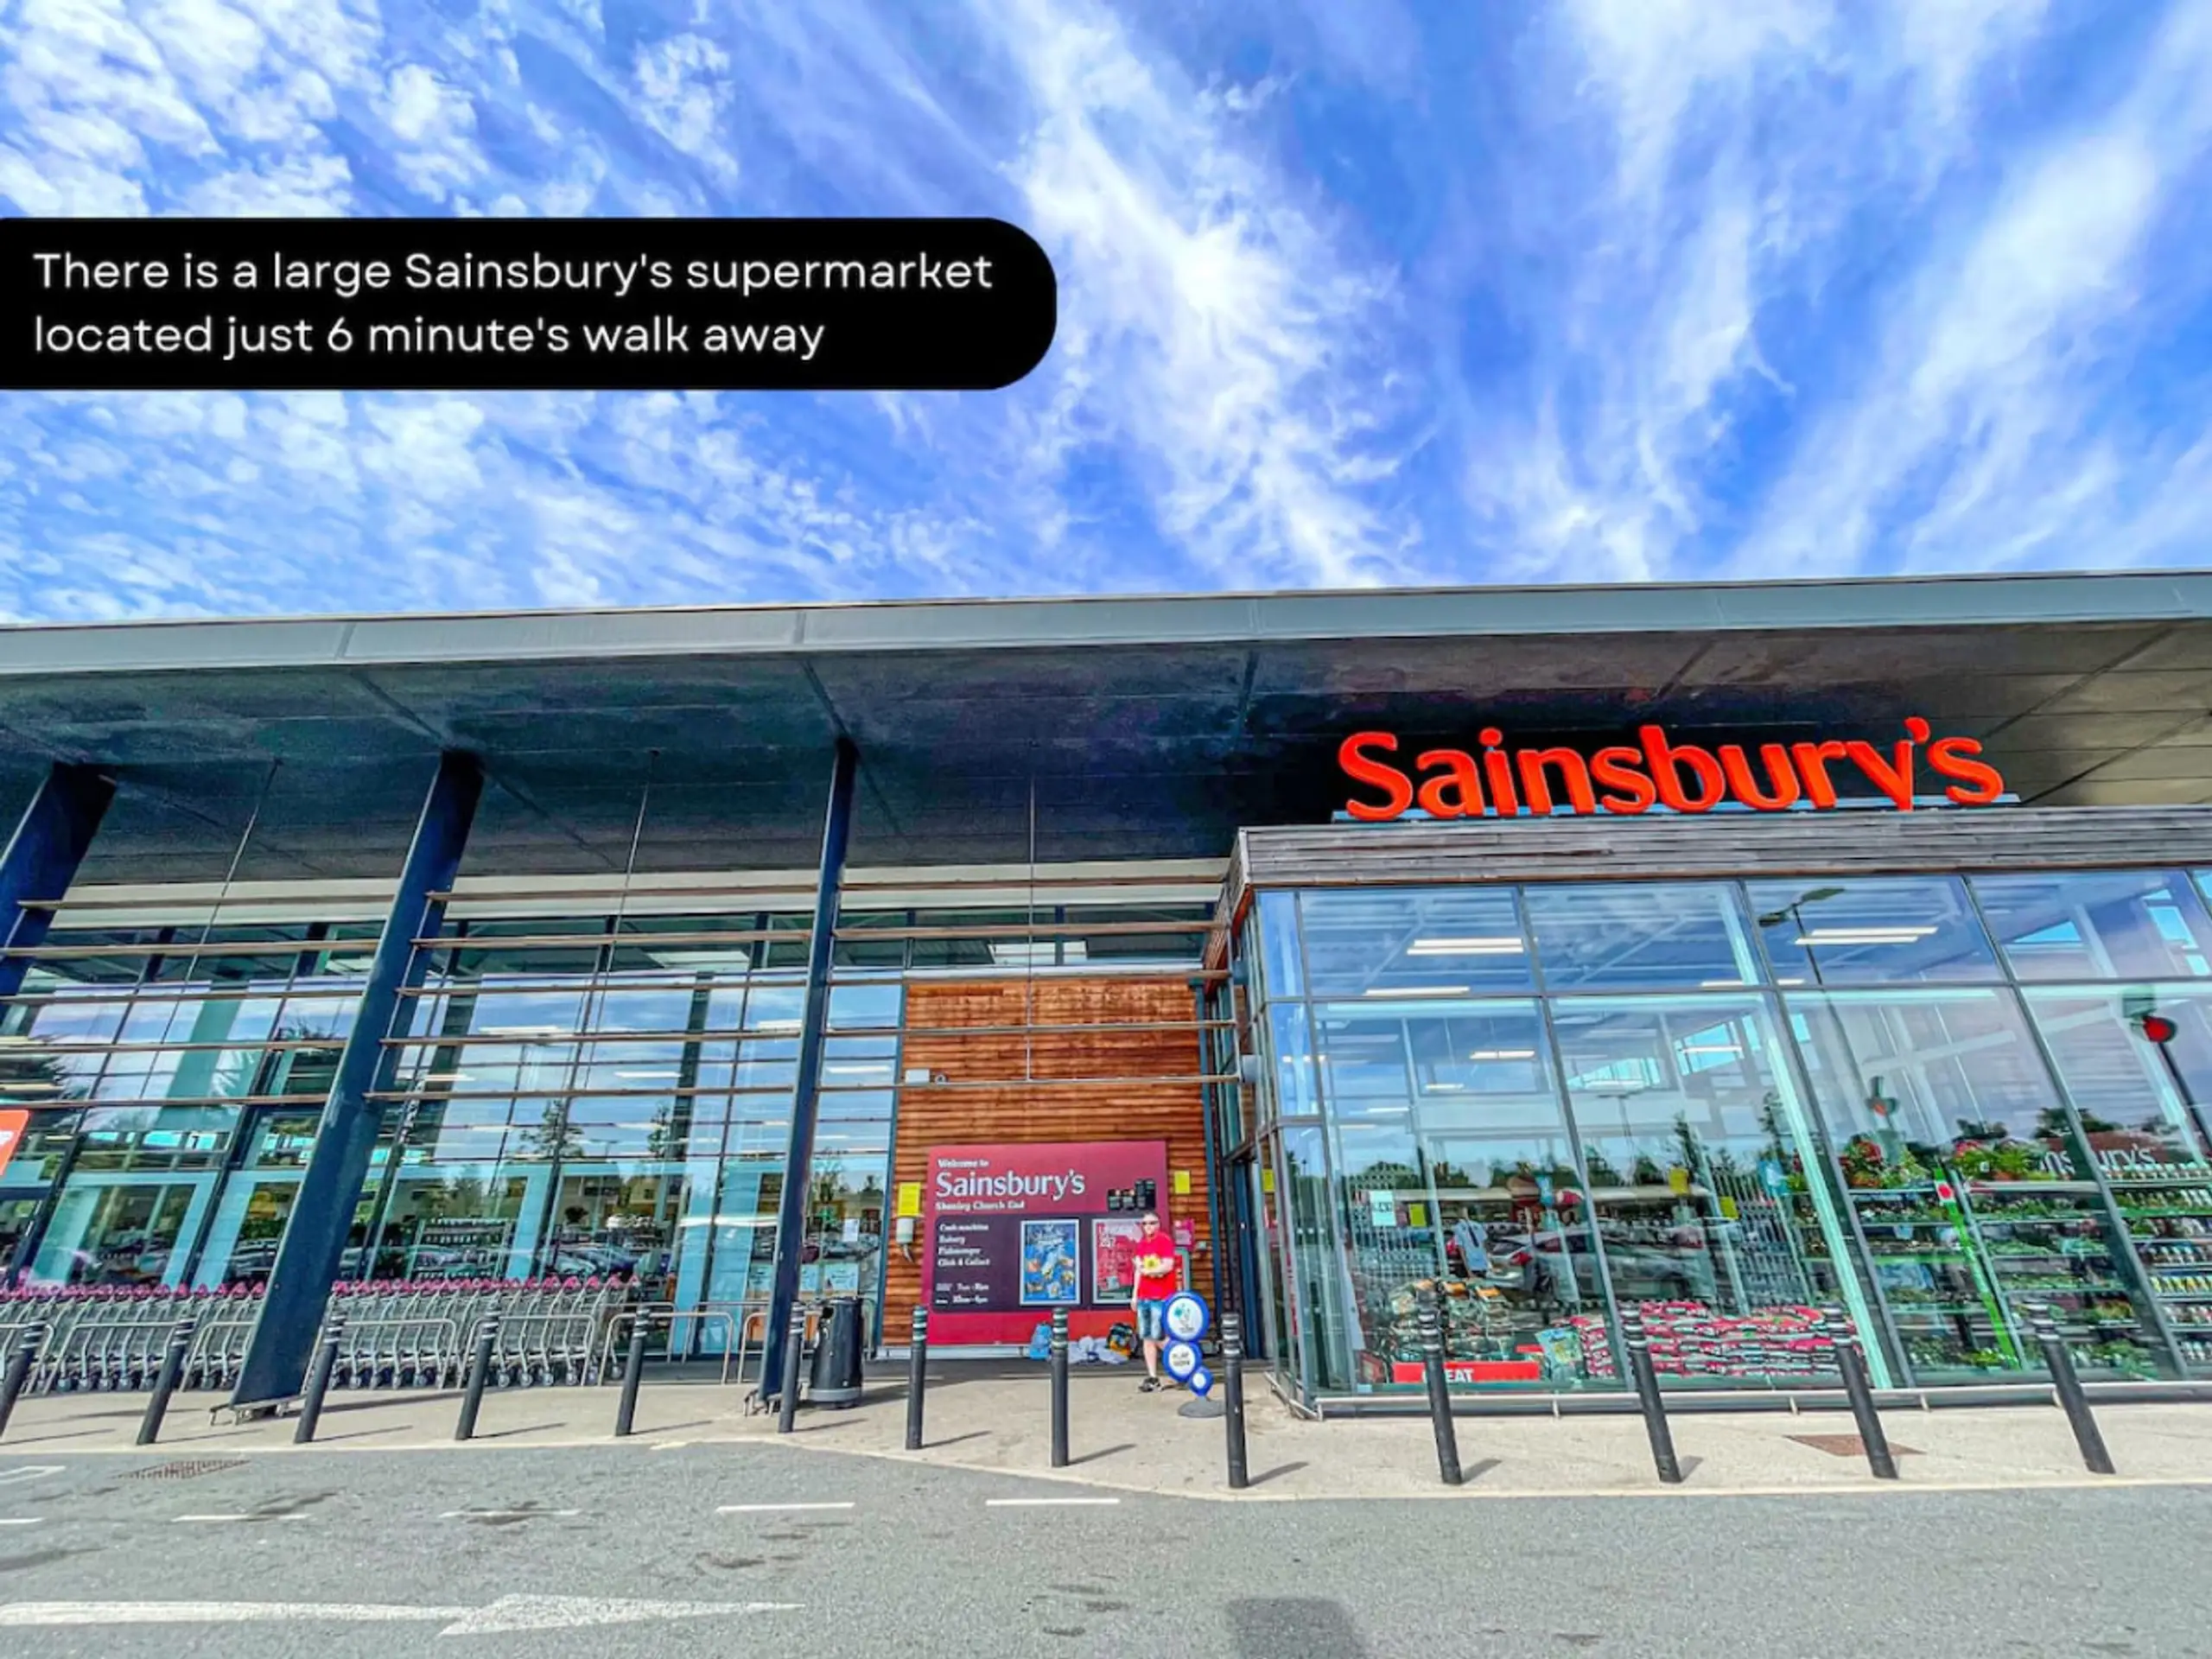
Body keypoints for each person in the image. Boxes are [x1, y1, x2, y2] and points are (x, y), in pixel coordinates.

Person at [1128, 1211, 1181, 1392]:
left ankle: (1181, 1363)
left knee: (1158, 1335)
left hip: (1161, 1296)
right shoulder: (1141, 1244)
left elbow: (1168, 1265)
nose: (1148, 1226)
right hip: (1144, 1295)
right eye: (1145, 1224)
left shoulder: (1164, 1241)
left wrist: (1149, 1271)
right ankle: (1153, 1377)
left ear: (1158, 1224)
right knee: (1147, 1337)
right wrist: (1134, 1294)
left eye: (1152, 1223)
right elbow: (1138, 1270)